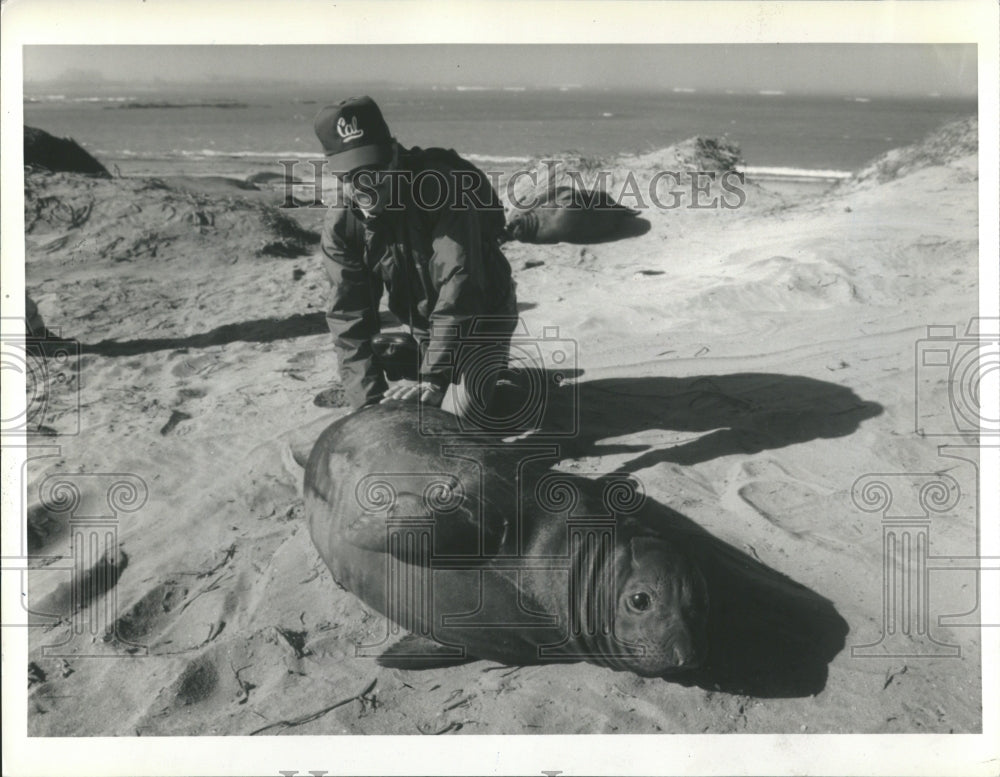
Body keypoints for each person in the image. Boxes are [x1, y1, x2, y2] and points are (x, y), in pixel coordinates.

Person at [313, 96, 518, 424]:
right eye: (351, 175)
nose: (366, 184)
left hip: (481, 317)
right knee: (384, 381)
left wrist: (434, 379)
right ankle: (445, 369)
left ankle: (488, 370)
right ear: (336, 174)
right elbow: (348, 315)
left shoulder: (441, 190)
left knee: (459, 419)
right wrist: (367, 407)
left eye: (375, 168)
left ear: (393, 154)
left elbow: (460, 283)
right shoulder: (342, 224)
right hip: (425, 325)